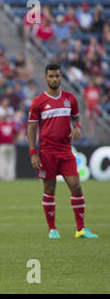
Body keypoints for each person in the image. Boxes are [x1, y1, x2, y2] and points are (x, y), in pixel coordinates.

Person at [27, 64, 98, 240]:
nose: (55, 79)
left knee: (76, 186)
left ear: (61, 77)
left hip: (66, 151)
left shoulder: (70, 98)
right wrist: (33, 153)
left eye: (57, 76)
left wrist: (78, 127)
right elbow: (31, 128)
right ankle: (52, 229)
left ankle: (80, 229)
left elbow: (75, 118)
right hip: (47, 152)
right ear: (46, 78)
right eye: (51, 76)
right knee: (50, 189)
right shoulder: (38, 102)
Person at [0, 108, 17, 181]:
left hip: (2, 145)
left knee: (2, 161)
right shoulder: (10, 125)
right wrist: (15, 141)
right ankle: (11, 177)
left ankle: (3, 176)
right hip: (10, 144)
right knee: (11, 162)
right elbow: (15, 133)